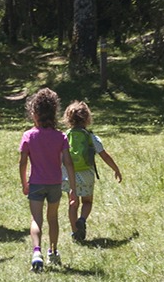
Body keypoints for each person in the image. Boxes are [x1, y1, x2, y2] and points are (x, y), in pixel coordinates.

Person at [19, 87, 77, 271]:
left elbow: (22, 162)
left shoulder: (29, 136)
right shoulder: (60, 137)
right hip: (54, 184)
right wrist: (73, 188)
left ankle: (37, 251)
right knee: (52, 218)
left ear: (34, 113)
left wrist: (24, 183)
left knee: (36, 219)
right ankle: (53, 251)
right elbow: (68, 163)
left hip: (36, 183)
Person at [61, 100, 123, 242]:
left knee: (72, 203)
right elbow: (103, 154)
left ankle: (75, 232)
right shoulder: (90, 136)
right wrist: (116, 169)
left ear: (68, 118)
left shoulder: (65, 136)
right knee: (87, 202)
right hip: (86, 174)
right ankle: (82, 219)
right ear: (88, 118)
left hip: (68, 175)